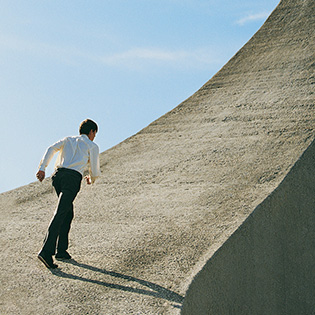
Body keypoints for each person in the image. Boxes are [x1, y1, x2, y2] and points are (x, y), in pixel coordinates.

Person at [36, 119, 101, 269]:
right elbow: (95, 168)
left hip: (58, 176)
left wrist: (42, 168)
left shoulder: (68, 139)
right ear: (92, 132)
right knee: (60, 212)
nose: (94, 137)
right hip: (72, 180)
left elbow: (51, 148)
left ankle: (61, 250)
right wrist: (91, 178)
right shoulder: (92, 146)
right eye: (94, 134)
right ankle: (46, 251)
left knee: (67, 212)